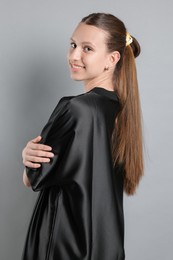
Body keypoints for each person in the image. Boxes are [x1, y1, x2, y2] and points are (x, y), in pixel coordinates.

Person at [21, 12, 144, 260]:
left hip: (63, 247)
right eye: (73, 45)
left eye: (87, 48)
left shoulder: (76, 109)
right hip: (107, 248)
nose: (74, 55)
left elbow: (32, 178)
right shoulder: (122, 112)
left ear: (112, 59)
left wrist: (26, 157)